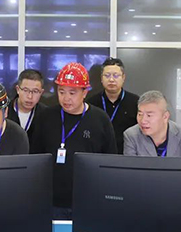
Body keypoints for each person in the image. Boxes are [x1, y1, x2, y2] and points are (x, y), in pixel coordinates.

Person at [30, 62, 117, 218]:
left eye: (72, 93)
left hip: (89, 200)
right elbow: (35, 157)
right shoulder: (46, 117)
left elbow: (110, 161)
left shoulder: (100, 119)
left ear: (84, 92)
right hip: (51, 201)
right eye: (61, 92)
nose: (66, 98)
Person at [123, 90, 181, 157]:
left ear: (165, 117)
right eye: (140, 114)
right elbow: (131, 169)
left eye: (149, 115)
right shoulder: (131, 136)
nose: (143, 121)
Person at [86, 57, 139, 154]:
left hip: (126, 154)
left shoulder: (135, 102)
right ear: (101, 78)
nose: (111, 79)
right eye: (107, 75)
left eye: (116, 75)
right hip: (98, 155)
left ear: (123, 78)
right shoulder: (91, 103)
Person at [6, 69, 46, 143]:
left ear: (41, 92)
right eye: (25, 90)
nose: (30, 96)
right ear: (18, 89)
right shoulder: (5, 111)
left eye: (35, 91)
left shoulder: (46, 115)